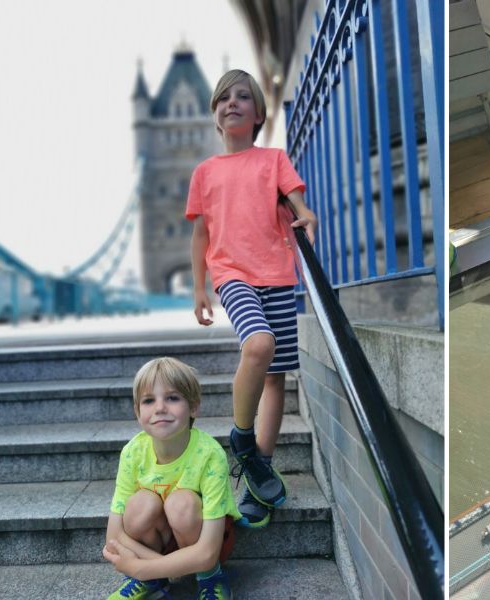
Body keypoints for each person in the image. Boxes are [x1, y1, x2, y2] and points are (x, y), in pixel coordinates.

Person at [187, 70, 318, 528]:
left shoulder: (274, 159)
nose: (232, 102)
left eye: (243, 96)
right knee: (258, 346)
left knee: (277, 378)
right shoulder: (205, 172)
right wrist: (201, 286)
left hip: (278, 275)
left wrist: (305, 216)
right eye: (223, 98)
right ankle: (242, 440)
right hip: (233, 274)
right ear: (215, 116)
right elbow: (201, 232)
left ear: (258, 113)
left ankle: (255, 476)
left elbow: (298, 203)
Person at [103, 357, 240, 600]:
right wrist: (154, 568)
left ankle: (210, 577)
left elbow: (207, 551)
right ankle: (154, 581)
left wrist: (139, 567)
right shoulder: (133, 452)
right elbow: (114, 536)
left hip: (208, 542)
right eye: (148, 400)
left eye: (172, 398)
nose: (159, 408)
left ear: (194, 407)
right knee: (139, 504)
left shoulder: (209, 454)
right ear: (138, 412)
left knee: (181, 503)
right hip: (161, 543)